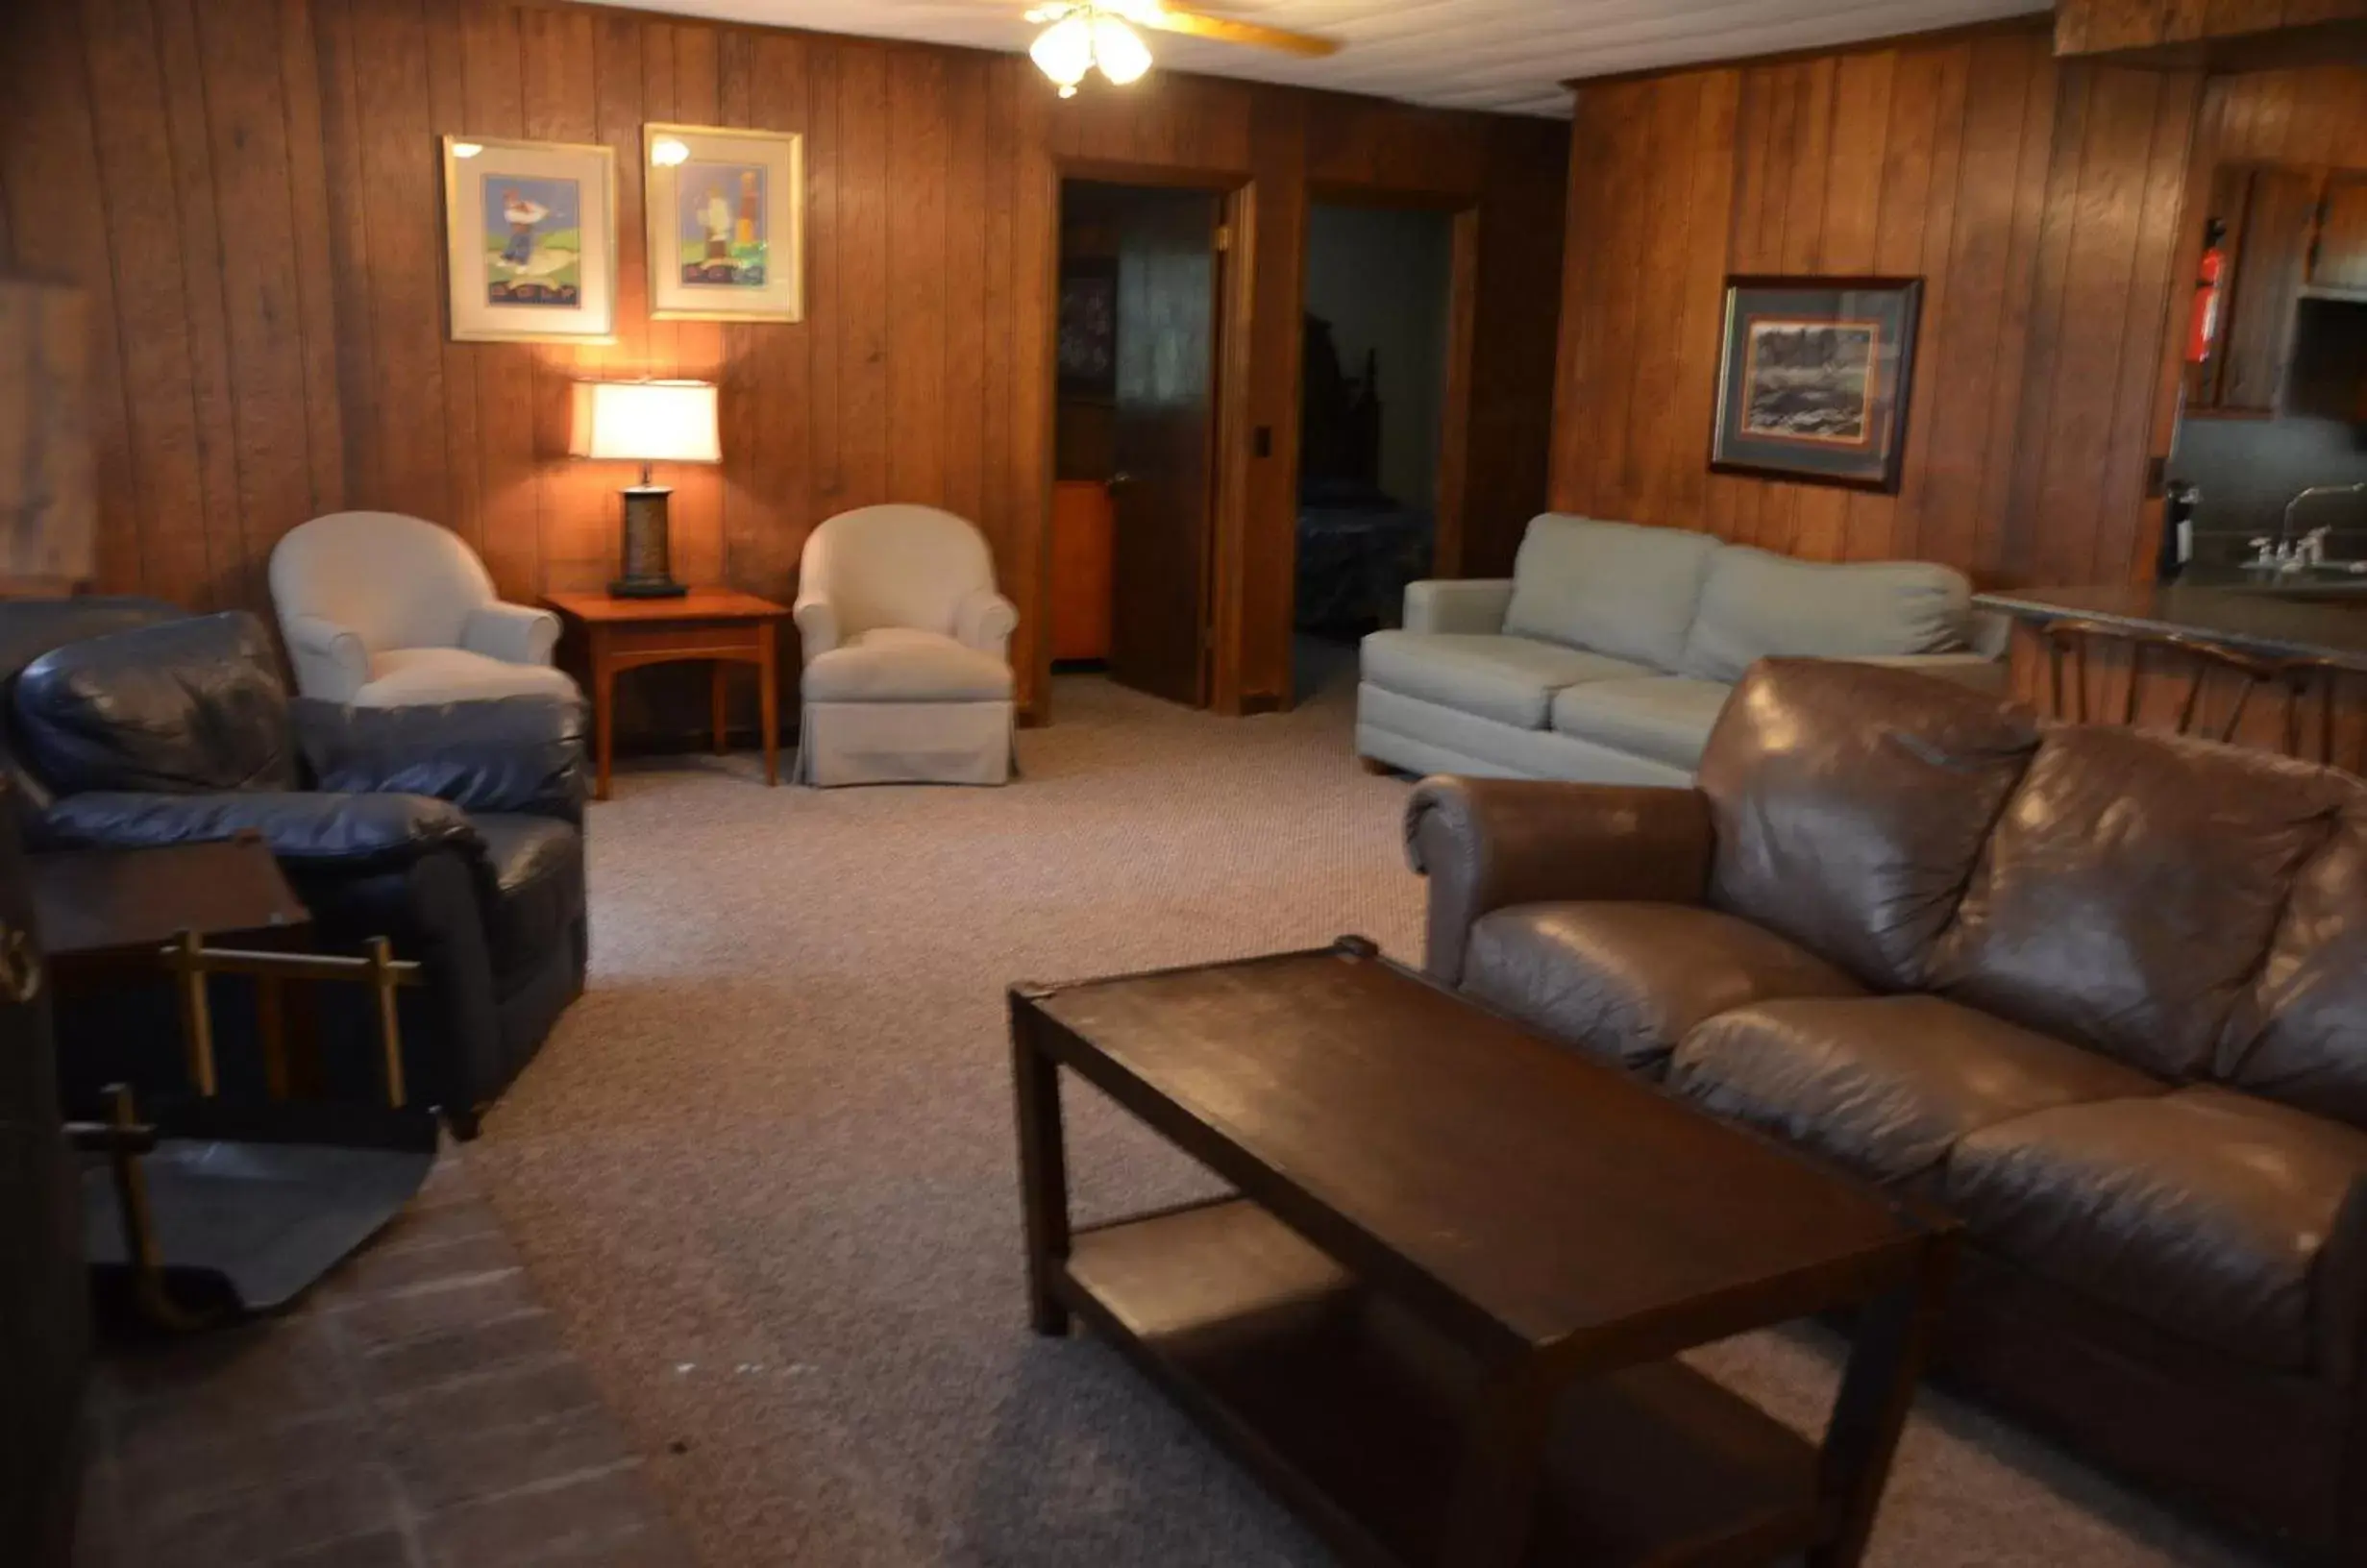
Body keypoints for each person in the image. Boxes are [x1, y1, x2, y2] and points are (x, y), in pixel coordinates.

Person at [500, 188, 548, 268]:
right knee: (512, 245)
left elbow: (537, 209)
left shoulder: (524, 204)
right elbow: (526, 218)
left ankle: (523, 263)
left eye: (512, 197)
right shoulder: (509, 211)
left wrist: (544, 212)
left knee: (525, 247)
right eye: (508, 198)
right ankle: (508, 260)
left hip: (526, 231)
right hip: (517, 231)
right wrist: (539, 215)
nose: (510, 200)